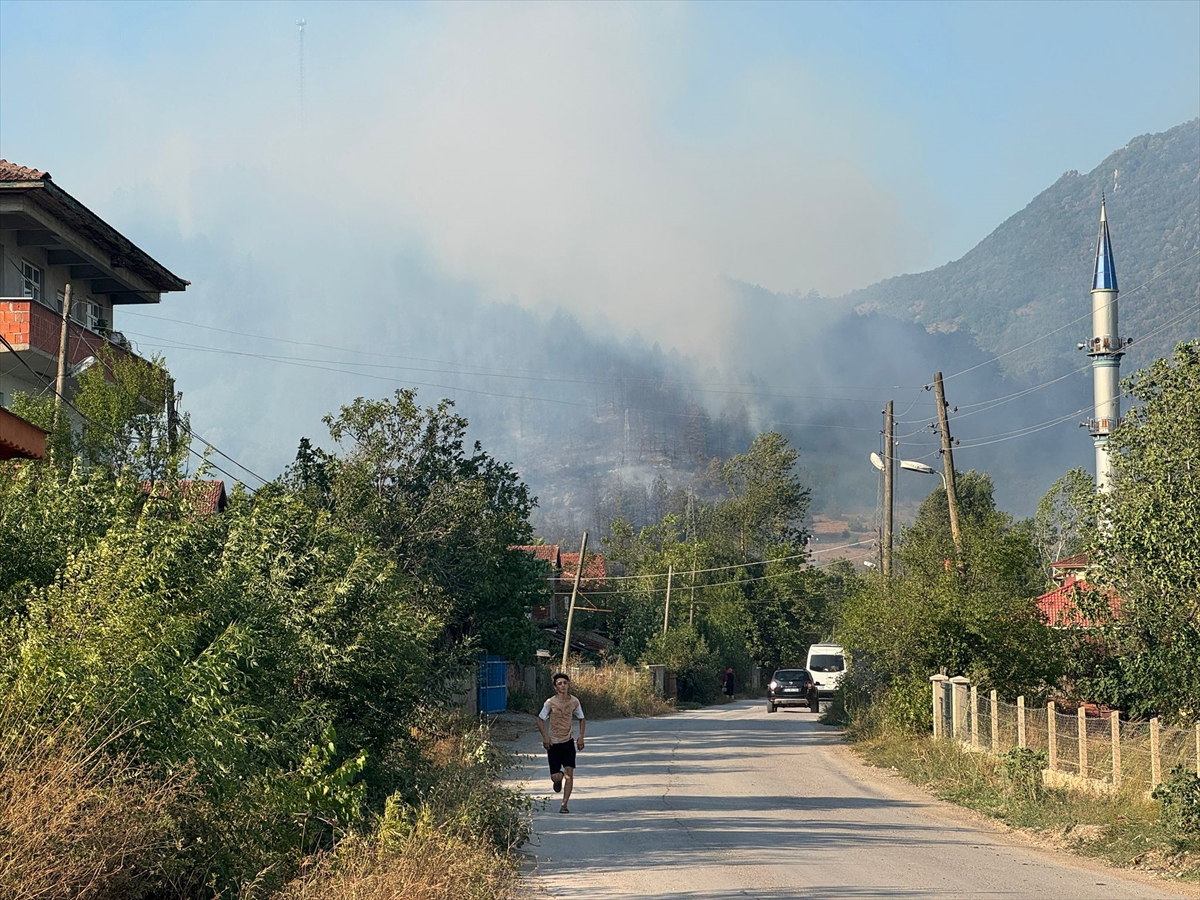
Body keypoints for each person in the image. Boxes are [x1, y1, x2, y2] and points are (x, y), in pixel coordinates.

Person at [537, 672, 586, 814]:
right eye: (559, 683)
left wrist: (581, 736)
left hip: (568, 742)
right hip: (553, 743)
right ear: (555, 687)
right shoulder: (550, 703)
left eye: (565, 683)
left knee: (569, 773)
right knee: (555, 776)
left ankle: (564, 805)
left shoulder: (574, 701)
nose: (563, 685)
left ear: (568, 684)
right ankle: (557, 780)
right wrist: (545, 737)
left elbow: (582, 719)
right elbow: (540, 720)